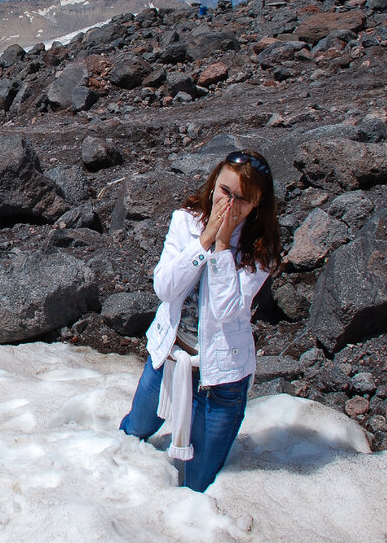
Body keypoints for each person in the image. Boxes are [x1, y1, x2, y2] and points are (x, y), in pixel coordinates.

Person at [120, 150, 282, 492]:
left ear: (257, 205)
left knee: (198, 483)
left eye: (243, 199)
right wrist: (204, 242)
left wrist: (222, 247)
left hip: (220, 379)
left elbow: (227, 311)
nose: (231, 204)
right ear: (213, 185)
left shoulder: (260, 250)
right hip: (170, 357)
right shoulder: (185, 222)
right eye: (226, 191)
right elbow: (164, 287)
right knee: (134, 429)